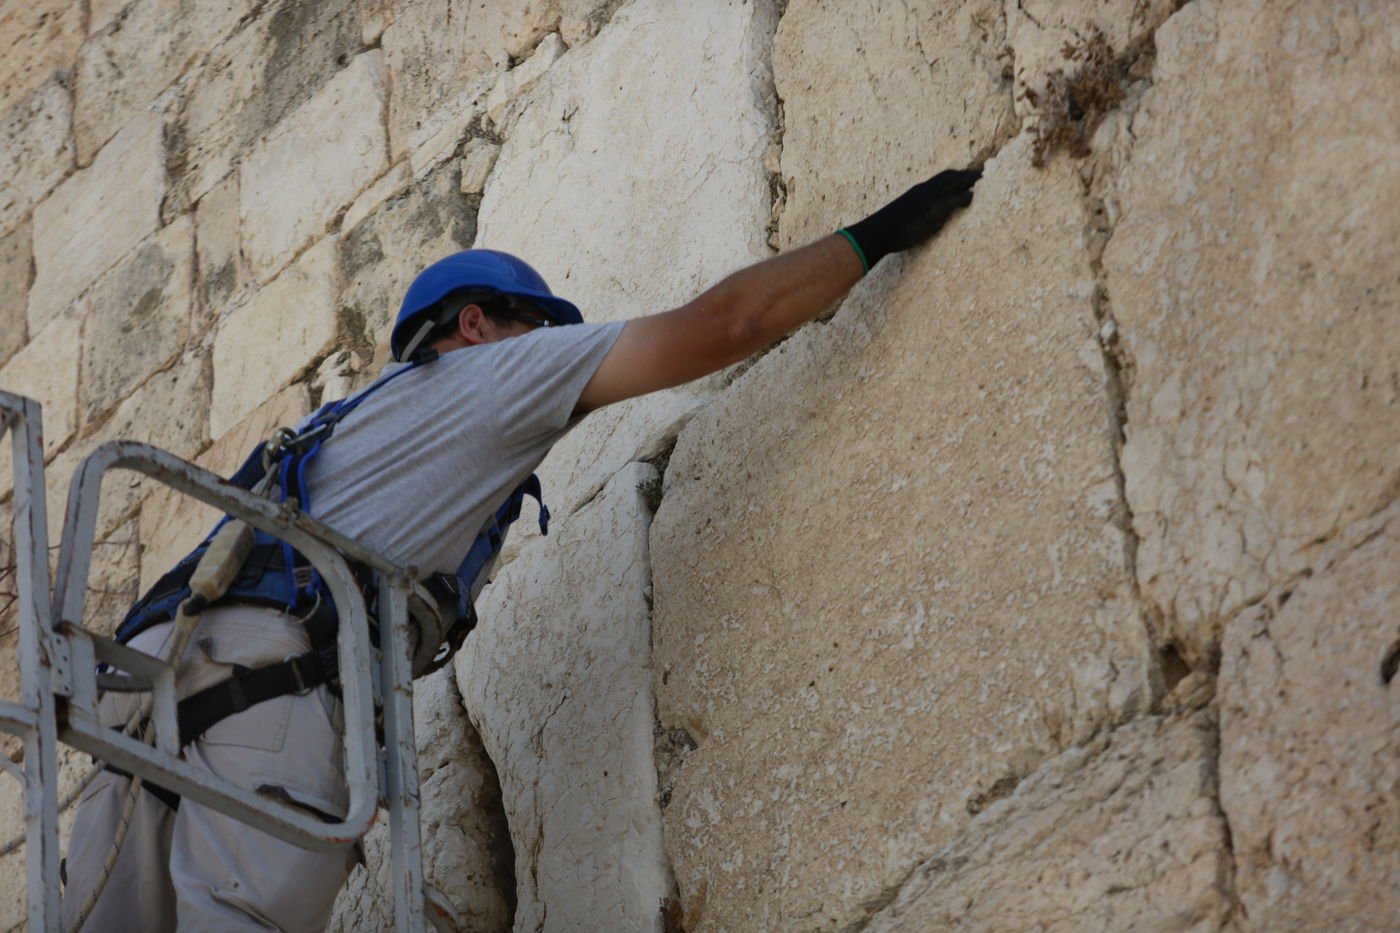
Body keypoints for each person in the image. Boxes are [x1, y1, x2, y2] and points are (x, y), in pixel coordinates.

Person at [60, 167, 980, 931]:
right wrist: (880, 231)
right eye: (540, 327)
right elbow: (728, 323)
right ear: (477, 325)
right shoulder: (488, 378)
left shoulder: (346, 428)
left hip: (144, 712)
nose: (555, 350)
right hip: (269, 703)